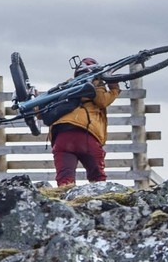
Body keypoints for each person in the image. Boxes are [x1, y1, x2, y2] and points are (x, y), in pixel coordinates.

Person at [50, 57, 119, 185]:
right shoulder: (95, 83)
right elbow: (102, 101)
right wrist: (114, 89)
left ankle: (65, 203)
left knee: (65, 181)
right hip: (86, 134)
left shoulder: (66, 86)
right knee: (98, 179)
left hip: (61, 136)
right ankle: (98, 203)